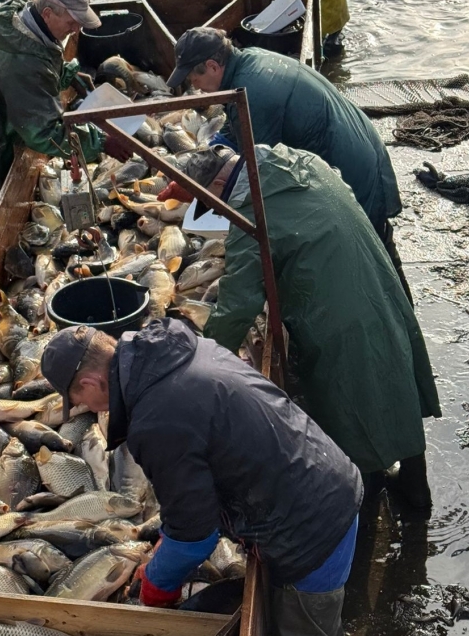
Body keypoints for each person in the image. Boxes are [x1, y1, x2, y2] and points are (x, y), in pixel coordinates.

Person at [41, 320, 363, 636]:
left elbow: (195, 536)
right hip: (326, 473)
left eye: (78, 400)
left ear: (91, 382)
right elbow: (201, 485)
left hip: (312, 528)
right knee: (322, 628)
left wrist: (157, 584)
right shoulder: (176, 347)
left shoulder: (154, 421)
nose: (88, 409)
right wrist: (170, 537)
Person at [180, 143, 441, 508]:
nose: (218, 213)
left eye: (211, 200)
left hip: (338, 316)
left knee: (350, 405)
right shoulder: (300, 160)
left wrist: (202, 361)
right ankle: (415, 487)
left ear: (221, 182)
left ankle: (365, 506)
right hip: (378, 284)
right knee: (396, 384)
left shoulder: (249, 211)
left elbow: (239, 303)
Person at [165, 26, 412, 303]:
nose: (192, 85)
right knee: (378, 249)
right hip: (358, 149)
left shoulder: (255, 91)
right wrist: (203, 164)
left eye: (192, 76)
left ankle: (396, 321)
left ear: (212, 66)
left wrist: (203, 192)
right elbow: (239, 130)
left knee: (369, 259)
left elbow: (261, 175)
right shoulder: (249, 62)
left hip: (353, 170)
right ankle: (400, 317)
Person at [0, 0, 130, 250]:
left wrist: (67, 73)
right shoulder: (23, 63)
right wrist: (101, 142)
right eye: (71, 22)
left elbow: (42, 60)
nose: (75, 30)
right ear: (48, 13)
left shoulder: (24, 19)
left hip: (2, 122)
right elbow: (45, 133)